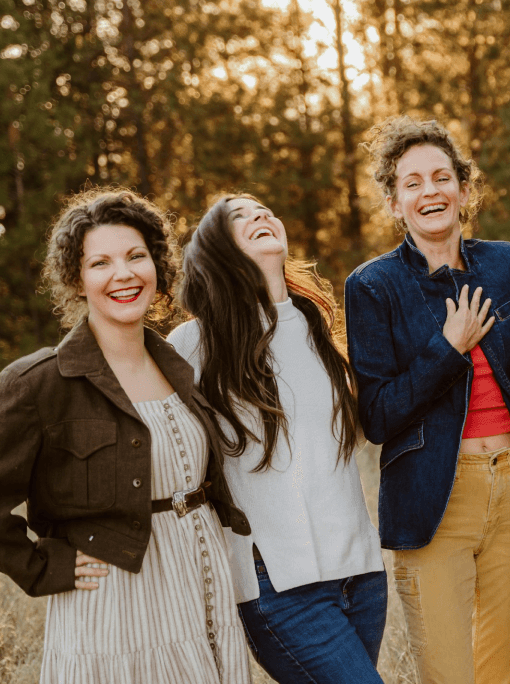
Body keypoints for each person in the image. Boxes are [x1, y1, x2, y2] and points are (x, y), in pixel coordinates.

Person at [0, 189, 253, 683]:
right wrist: (43, 566)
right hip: (113, 598)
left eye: (136, 256)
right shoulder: (39, 382)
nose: (124, 275)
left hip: (200, 579)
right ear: (77, 279)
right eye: (100, 263)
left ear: (157, 264)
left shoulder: (181, 365)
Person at [167, 194, 388, 684]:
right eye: (239, 217)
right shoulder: (193, 343)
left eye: (264, 209)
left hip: (361, 574)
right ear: (216, 250)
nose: (261, 216)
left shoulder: (317, 327)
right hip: (280, 586)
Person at [344, 117, 510, 684]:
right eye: (413, 183)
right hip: (434, 500)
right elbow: (376, 416)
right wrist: (446, 351)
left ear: (464, 190)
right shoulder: (373, 286)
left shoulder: (507, 263)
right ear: (395, 202)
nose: (431, 192)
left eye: (442, 177)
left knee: (499, 671)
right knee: (450, 675)